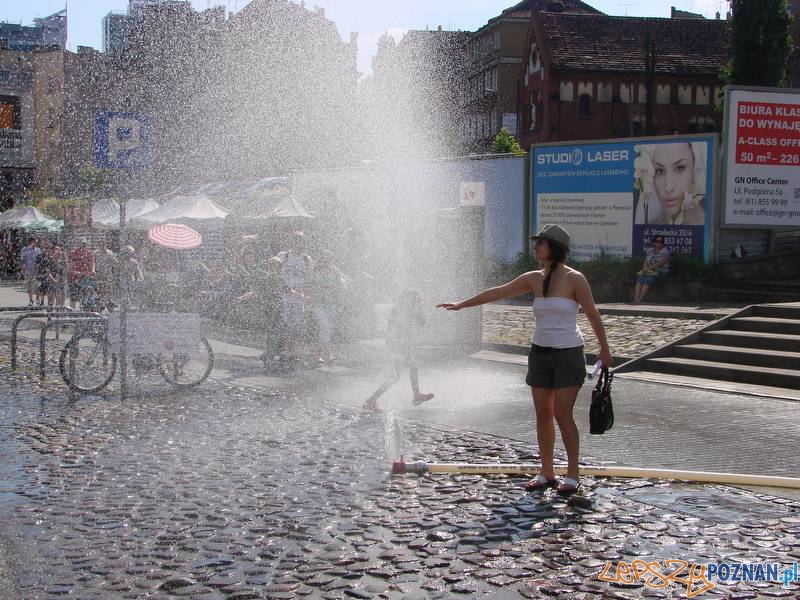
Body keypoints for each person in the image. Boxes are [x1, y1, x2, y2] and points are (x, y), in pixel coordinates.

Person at [437, 224, 612, 496]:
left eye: (540, 242)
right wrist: (463, 304)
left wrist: (604, 349)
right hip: (540, 353)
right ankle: (546, 472)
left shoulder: (575, 279)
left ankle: (573, 473)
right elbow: (498, 292)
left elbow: (592, 314)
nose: (535, 246)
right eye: (536, 242)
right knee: (543, 415)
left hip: (568, 354)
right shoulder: (533, 278)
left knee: (562, 414)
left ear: (554, 247)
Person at [363, 289, 434, 412]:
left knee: (404, 372)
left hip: (404, 346)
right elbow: (393, 332)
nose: (416, 303)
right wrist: (401, 348)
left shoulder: (408, 311)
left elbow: (422, 322)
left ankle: (415, 395)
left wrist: (418, 309)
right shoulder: (399, 311)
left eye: (416, 301)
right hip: (399, 347)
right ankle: (371, 400)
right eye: (414, 300)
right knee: (396, 376)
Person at [635, 142, 705, 226]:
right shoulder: (649, 230)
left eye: (680, 168)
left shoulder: (710, 227)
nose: (669, 187)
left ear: (695, 169)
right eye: (659, 171)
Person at [310, 250, 346, 364]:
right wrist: (307, 301)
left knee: (327, 329)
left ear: (332, 260)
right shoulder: (315, 270)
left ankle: (320, 354)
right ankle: (326, 354)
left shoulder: (335, 272)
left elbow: (342, 286)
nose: (327, 261)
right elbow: (309, 285)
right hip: (317, 303)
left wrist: (340, 302)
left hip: (331, 305)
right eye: (325, 259)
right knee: (324, 326)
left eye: (329, 259)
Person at [633, 235, 670, 304]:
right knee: (640, 279)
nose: (658, 243)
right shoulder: (650, 250)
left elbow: (659, 264)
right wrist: (644, 268)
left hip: (660, 271)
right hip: (649, 271)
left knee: (648, 280)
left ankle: (640, 300)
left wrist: (647, 270)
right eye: (657, 241)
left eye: (660, 241)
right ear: (654, 242)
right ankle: (635, 299)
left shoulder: (665, 252)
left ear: (663, 243)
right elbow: (645, 261)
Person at [67, 238, 95, 308]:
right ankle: (72, 313)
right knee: (73, 297)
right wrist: (76, 272)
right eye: (81, 243)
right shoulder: (72, 253)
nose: (83, 245)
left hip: (85, 277)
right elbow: (69, 266)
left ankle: (85, 310)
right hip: (74, 278)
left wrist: (93, 271)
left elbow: (92, 264)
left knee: (86, 294)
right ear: (78, 244)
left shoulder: (89, 254)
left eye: (84, 244)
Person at [20, 237, 42, 306]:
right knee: (29, 287)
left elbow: (40, 260)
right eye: (33, 242)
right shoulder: (24, 250)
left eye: (35, 242)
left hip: (36, 272)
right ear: (29, 242)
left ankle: (38, 298)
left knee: (37, 286)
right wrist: (23, 270)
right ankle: (31, 300)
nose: (35, 243)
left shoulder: (38, 250)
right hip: (28, 271)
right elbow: (22, 260)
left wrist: (37, 267)